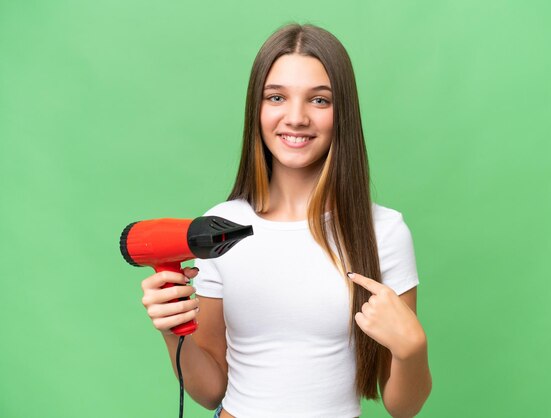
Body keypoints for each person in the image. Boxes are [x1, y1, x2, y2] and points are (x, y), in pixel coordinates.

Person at [140, 24, 432, 418]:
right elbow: (210, 392)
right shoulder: (217, 230)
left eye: (320, 100)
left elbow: (403, 407)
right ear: (256, 109)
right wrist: (171, 330)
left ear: (342, 112)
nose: (296, 118)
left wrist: (412, 349)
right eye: (276, 97)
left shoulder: (383, 232)